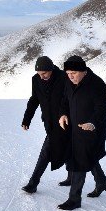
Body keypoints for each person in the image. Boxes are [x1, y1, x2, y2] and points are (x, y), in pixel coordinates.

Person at [57, 55, 106, 210]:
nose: (70, 76)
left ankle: (74, 199)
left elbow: (102, 109)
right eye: (68, 73)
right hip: (74, 127)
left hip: (92, 128)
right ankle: (102, 182)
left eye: (73, 72)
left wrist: (92, 123)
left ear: (83, 71)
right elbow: (64, 100)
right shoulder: (68, 81)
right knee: (88, 156)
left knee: (79, 160)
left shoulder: (97, 84)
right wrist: (63, 114)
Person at [21, 56, 70, 193]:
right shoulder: (36, 80)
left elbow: (69, 98)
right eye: (39, 74)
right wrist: (27, 119)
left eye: (44, 73)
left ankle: (33, 183)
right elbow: (34, 100)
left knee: (46, 151)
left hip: (65, 121)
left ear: (51, 69)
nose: (42, 77)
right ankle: (99, 180)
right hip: (49, 122)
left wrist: (65, 113)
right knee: (70, 149)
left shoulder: (63, 77)